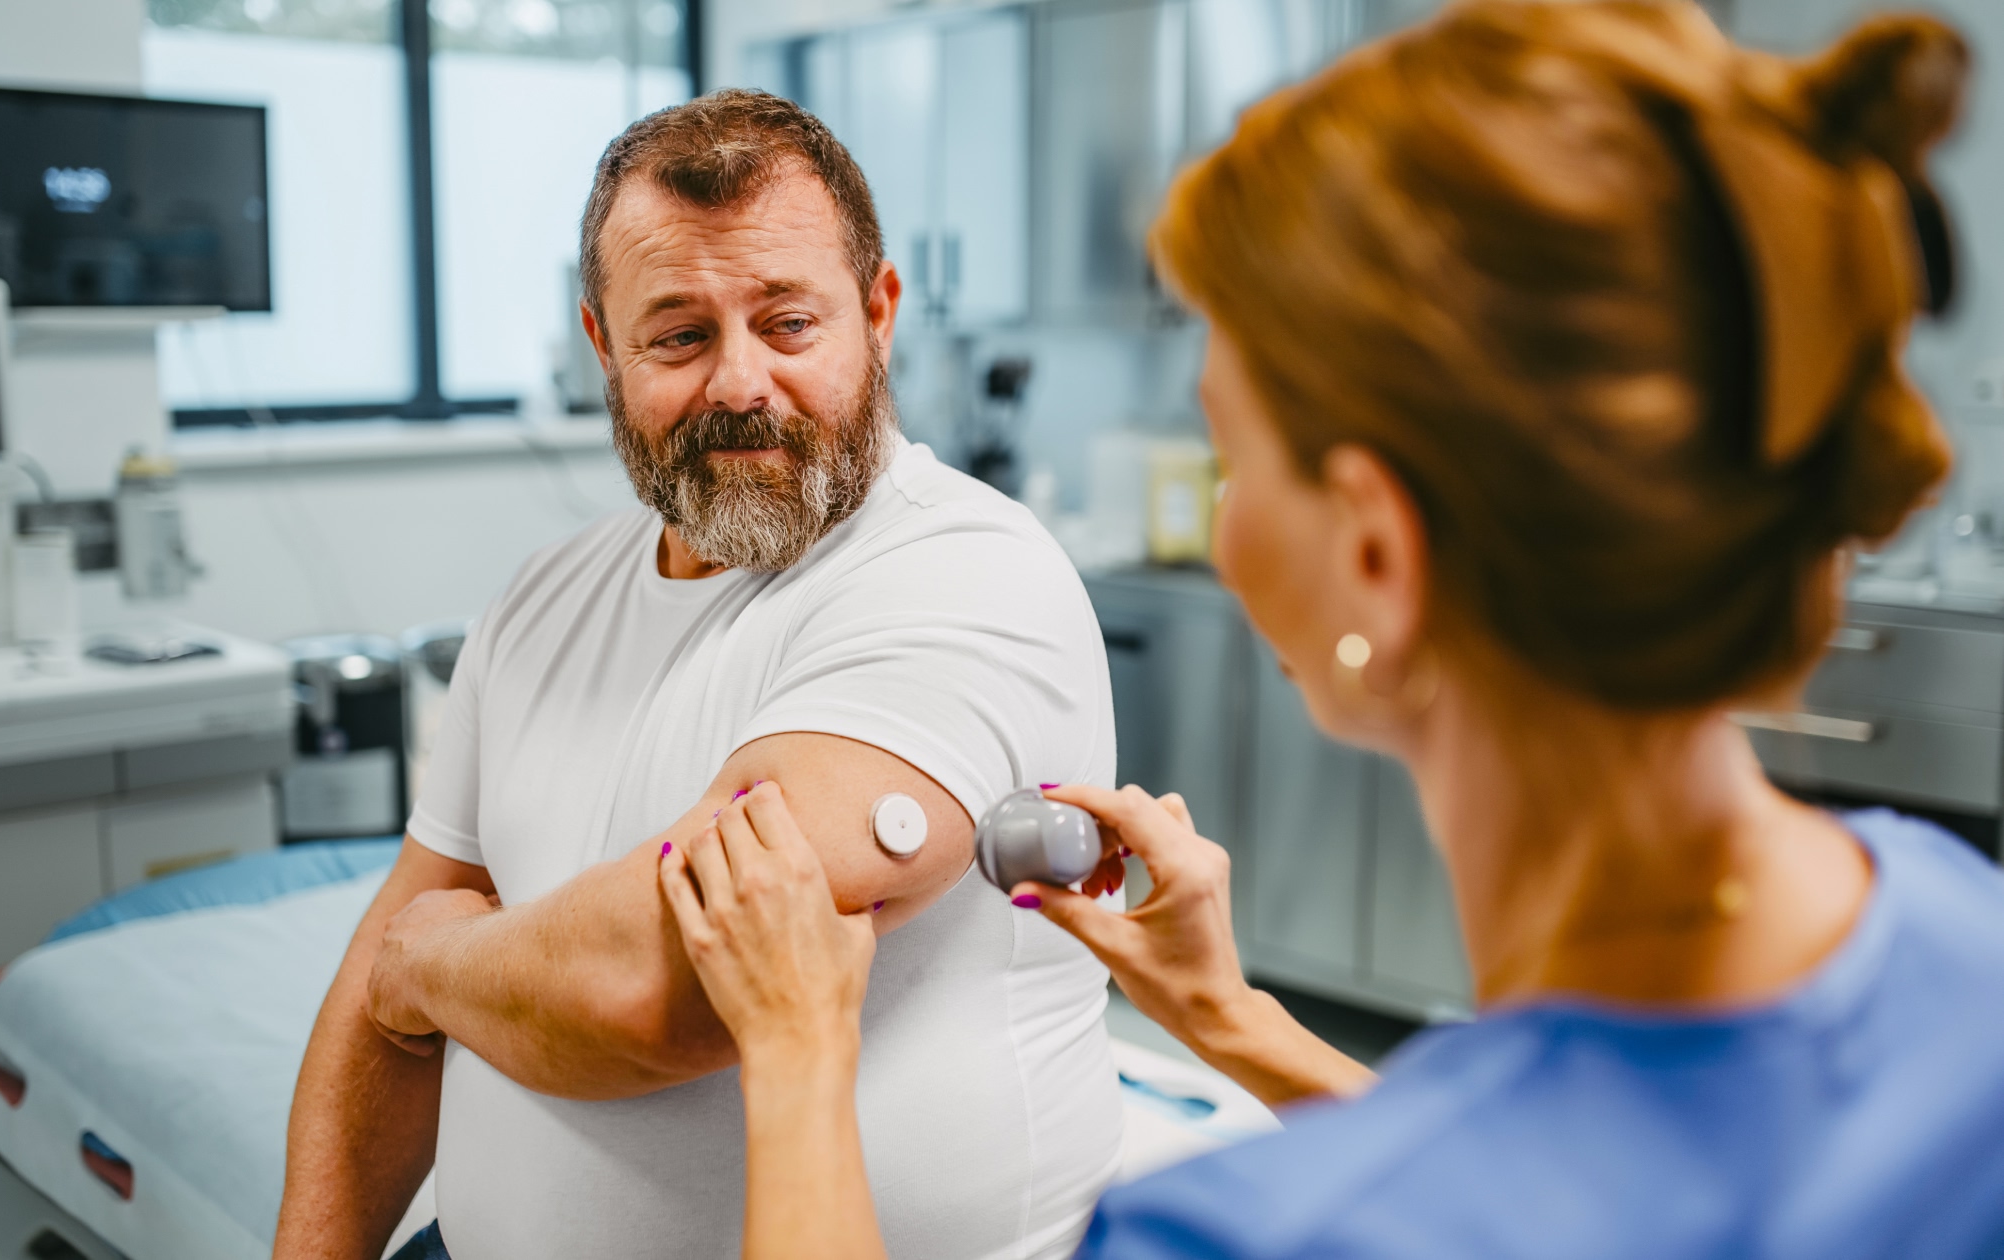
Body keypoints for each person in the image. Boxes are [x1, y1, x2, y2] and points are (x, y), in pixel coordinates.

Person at [658, 5, 2004, 1258]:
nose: (1227, 528)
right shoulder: (1960, 940)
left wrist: (792, 1052)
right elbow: (1559, 1182)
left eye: (1235, 460)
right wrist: (1235, 1023)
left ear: (1373, 555)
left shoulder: (1238, 1235)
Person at [271, 90, 1125, 1260]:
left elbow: (664, 986)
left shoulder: (968, 576)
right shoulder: (537, 602)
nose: (736, 383)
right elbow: (378, 995)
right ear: (602, 351)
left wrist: (430, 966)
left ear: (876, 315)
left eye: (786, 324)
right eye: (677, 335)